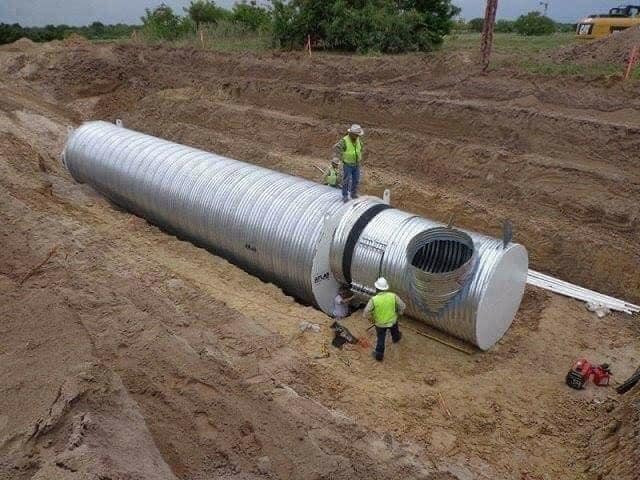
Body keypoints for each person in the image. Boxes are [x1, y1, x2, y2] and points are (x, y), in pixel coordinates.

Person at [363, 277, 406, 362]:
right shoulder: (393, 296)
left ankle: (379, 355)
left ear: (377, 288)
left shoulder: (374, 300)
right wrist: (399, 314)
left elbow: (366, 313)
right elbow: (403, 306)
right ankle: (396, 338)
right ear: (386, 288)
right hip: (392, 321)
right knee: (395, 331)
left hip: (380, 324)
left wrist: (371, 319)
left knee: (381, 339)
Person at [333, 124, 364, 203]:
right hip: (348, 164)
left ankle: (353, 194)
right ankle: (345, 195)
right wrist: (339, 157)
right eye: (356, 135)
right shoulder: (344, 140)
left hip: (356, 164)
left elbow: (361, 148)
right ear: (352, 134)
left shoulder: (358, 140)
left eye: (358, 135)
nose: (358, 136)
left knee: (356, 180)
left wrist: (359, 156)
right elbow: (336, 148)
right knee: (346, 180)